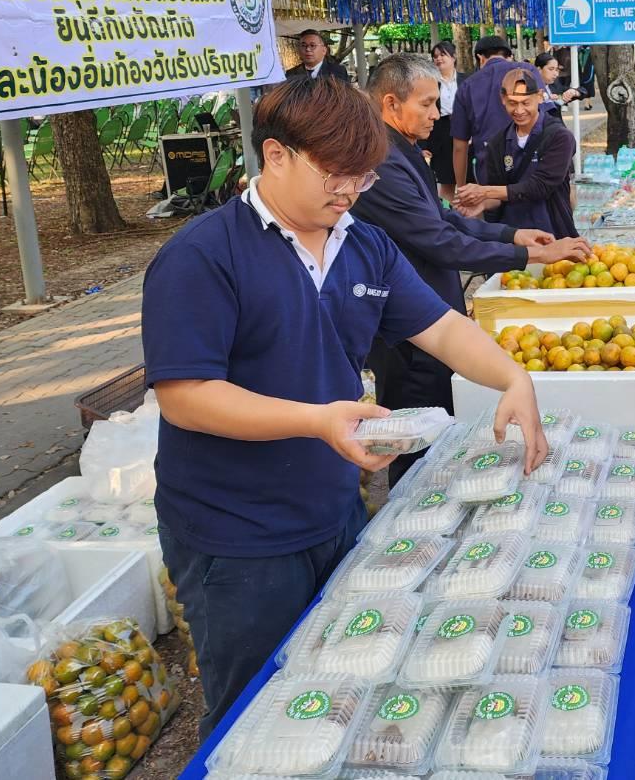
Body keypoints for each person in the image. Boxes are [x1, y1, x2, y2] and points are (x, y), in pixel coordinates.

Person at [141, 74, 548, 736]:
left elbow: (440, 328)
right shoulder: (202, 256)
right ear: (276, 156)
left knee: (334, 688)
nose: (349, 191)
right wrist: (314, 420)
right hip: (236, 534)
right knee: (253, 713)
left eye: (360, 177)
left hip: (333, 508)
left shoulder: (362, 242)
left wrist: (513, 379)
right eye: (335, 175)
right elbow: (185, 397)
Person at [357, 53, 591, 483]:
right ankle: (413, 515)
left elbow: (439, 217)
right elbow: (440, 243)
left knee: (438, 427)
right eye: (426, 104)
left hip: (431, 312)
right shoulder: (381, 163)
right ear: (391, 104)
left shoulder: (401, 149)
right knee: (417, 439)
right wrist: (531, 255)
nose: (437, 114)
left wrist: (511, 236)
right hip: (407, 330)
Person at [455, 68, 580, 238]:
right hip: (514, 240)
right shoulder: (497, 143)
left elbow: (539, 187)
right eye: (512, 103)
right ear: (503, 100)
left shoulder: (559, 137)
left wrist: (484, 192)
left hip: (553, 234)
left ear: (540, 96)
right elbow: (499, 193)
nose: (519, 111)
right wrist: (482, 204)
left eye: (526, 102)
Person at [451, 35, 534, 187]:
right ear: (508, 56)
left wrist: (461, 188)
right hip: (531, 166)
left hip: (490, 171)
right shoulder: (528, 71)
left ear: (480, 58)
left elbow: (459, 146)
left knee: (493, 208)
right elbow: (550, 116)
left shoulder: (467, 87)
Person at [418, 40, 463, 203]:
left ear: (454, 57)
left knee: (467, 182)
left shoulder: (466, 80)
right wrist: (423, 146)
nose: (438, 59)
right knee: (446, 181)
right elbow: (423, 114)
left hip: (464, 132)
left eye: (443, 54)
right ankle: (447, 216)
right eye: (435, 56)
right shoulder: (430, 83)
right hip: (440, 133)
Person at [532, 50, 584, 123]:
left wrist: (574, 92)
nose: (555, 74)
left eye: (556, 70)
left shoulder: (555, 85)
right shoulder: (528, 88)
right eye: (551, 69)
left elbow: (584, 91)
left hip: (557, 130)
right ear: (539, 69)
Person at [284, 29, 350, 81]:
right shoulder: (291, 74)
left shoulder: (338, 72)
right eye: (303, 45)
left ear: (324, 50)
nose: (308, 49)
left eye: (312, 45)